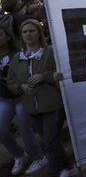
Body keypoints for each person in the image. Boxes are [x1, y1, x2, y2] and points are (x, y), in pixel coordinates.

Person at [7, 19, 77, 176]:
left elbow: (62, 72)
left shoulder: (50, 52)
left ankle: (56, 171)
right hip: (31, 107)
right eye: (25, 32)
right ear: (21, 35)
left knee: (51, 141)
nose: (28, 34)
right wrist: (21, 87)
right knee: (50, 141)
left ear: (39, 33)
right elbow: (11, 80)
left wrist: (45, 76)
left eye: (32, 30)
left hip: (53, 104)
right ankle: (68, 167)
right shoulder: (17, 58)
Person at [0, 23, 47, 175]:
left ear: (7, 36)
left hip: (22, 97)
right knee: (1, 130)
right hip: (4, 99)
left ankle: (39, 157)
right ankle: (19, 155)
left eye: (0, 34)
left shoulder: (19, 53)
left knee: (25, 128)